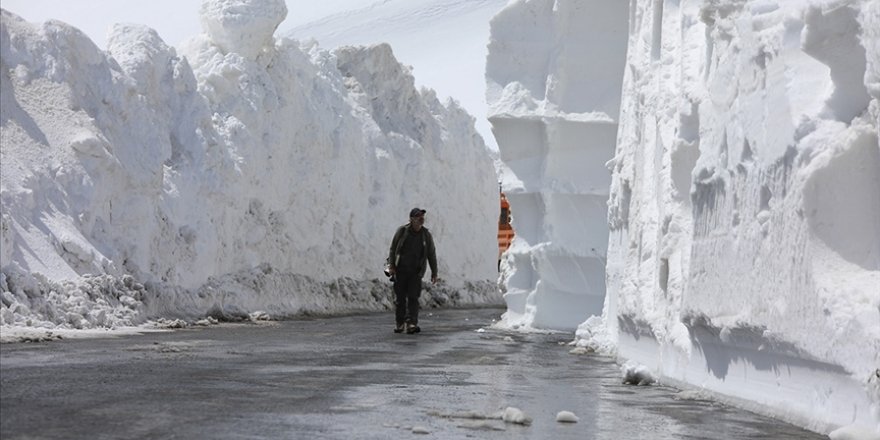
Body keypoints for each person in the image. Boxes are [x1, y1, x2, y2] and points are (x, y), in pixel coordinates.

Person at [387, 207, 438, 334]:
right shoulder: (402, 231)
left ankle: (411, 323)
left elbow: (431, 254)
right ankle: (400, 323)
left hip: (416, 272)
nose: (421, 219)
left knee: (413, 298)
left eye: (422, 217)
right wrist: (392, 265)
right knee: (400, 299)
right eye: (417, 217)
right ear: (411, 219)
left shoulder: (426, 235)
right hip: (401, 270)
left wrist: (434, 272)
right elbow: (393, 249)